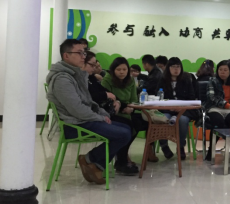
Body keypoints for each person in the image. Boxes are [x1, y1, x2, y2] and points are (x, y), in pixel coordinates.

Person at [46, 40, 134, 184]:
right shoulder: (62, 79)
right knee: (123, 133)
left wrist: (102, 114)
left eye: (84, 53)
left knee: (126, 128)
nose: (83, 56)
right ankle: (91, 160)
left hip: (83, 120)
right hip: (74, 125)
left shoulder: (76, 75)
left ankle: (94, 164)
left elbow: (89, 102)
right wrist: (99, 117)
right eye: (79, 53)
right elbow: (77, 109)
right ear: (66, 56)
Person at [101, 57, 157, 165]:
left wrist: (131, 108)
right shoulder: (107, 80)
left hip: (129, 111)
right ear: (113, 70)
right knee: (131, 125)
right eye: (118, 69)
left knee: (146, 122)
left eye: (124, 69)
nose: (122, 72)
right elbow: (106, 99)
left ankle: (145, 152)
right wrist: (123, 107)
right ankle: (122, 157)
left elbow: (134, 99)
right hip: (113, 112)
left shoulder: (130, 80)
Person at [158, 57, 201, 161]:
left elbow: (191, 97)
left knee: (182, 120)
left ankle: (180, 146)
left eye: (178, 66)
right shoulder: (162, 80)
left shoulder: (186, 80)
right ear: (168, 68)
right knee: (164, 118)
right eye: (173, 67)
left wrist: (181, 107)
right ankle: (164, 146)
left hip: (184, 110)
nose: (176, 69)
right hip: (167, 109)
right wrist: (170, 107)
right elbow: (159, 98)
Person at [204, 60, 230, 161]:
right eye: (220, 70)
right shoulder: (212, 80)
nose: (222, 72)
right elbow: (212, 97)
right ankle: (211, 152)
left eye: (225, 70)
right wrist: (227, 105)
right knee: (217, 122)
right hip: (215, 108)